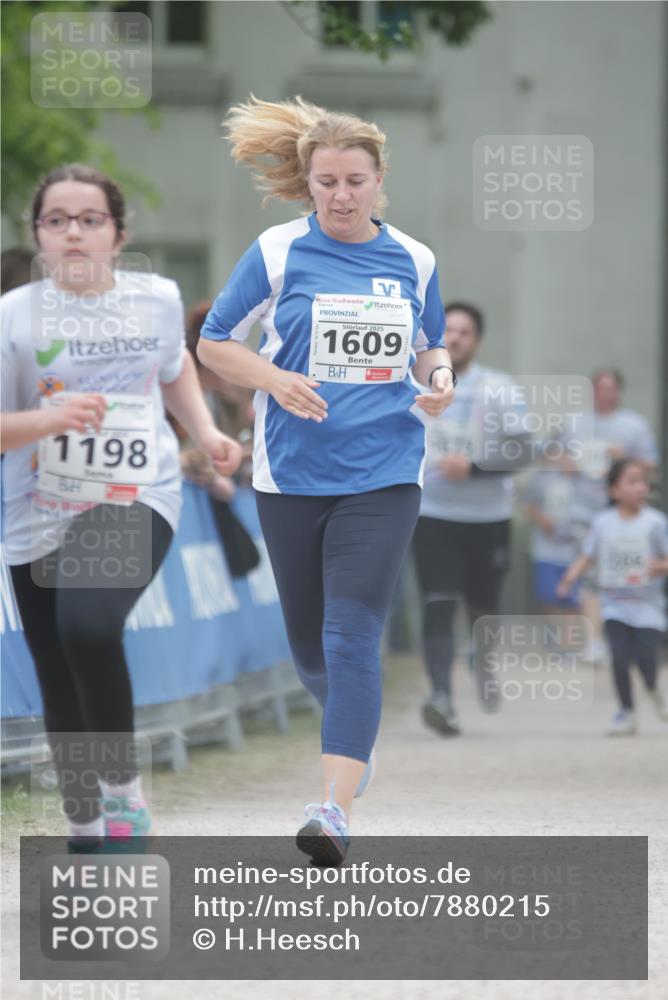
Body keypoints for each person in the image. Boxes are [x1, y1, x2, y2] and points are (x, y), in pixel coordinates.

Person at [197, 95, 455, 865]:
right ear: (307, 184)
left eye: (355, 181)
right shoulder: (278, 252)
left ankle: (332, 809)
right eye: (328, 182)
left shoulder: (414, 258)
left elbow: (429, 344)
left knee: (350, 638)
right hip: (291, 475)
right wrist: (274, 379)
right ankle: (354, 735)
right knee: (311, 650)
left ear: (380, 182)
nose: (342, 196)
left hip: (383, 472)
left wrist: (437, 378)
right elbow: (214, 343)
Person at [0, 164, 242, 852]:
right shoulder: (13, 317)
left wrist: (206, 432)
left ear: (118, 232)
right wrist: (49, 422)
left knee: (88, 625)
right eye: (57, 220)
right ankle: (83, 812)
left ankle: (121, 786)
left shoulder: (156, 298)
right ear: (38, 235)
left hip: (136, 492)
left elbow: (174, 369)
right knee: (54, 661)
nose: (73, 233)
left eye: (89, 220)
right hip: (36, 502)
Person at [412, 302, 532, 736]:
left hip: (489, 517)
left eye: (465, 332)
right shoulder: (409, 382)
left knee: (483, 609)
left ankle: (482, 658)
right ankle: (442, 697)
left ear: (476, 341)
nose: (457, 338)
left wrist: (476, 467)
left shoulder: (497, 387)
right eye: (450, 331)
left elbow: (525, 450)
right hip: (433, 514)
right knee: (438, 605)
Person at [557, 459, 668, 735]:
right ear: (614, 490)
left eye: (643, 481)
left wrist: (660, 566)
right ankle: (626, 713)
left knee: (645, 657)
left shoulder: (655, 522)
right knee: (618, 658)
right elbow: (588, 555)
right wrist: (570, 577)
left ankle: (654, 689)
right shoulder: (603, 523)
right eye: (632, 481)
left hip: (648, 607)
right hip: (614, 606)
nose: (640, 487)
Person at [575, 367, 660, 663]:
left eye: (612, 388)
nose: (606, 394)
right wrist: (579, 460)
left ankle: (626, 637)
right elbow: (551, 455)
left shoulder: (634, 425)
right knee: (590, 575)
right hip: (585, 511)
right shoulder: (577, 423)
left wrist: (622, 460)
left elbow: (651, 463)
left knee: (625, 574)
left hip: (625, 515)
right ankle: (593, 640)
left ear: (619, 392)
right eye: (601, 388)